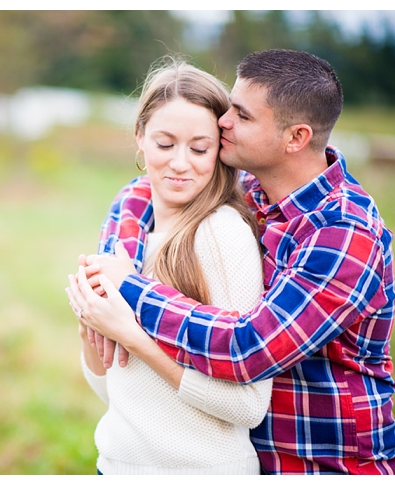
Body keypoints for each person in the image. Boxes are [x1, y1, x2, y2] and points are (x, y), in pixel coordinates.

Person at [70, 49, 395, 474]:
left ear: (296, 138)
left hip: (326, 462)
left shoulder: (343, 234)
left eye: (242, 116)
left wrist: (129, 292)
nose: (224, 122)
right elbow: (143, 192)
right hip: (255, 453)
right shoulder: (251, 188)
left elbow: (248, 347)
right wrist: (104, 271)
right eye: (229, 106)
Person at [66, 56, 272, 475]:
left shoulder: (221, 234)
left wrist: (132, 335)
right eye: (165, 143)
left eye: (199, 148)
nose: (180, 163)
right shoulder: (130, 239)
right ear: (140, 137)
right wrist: (91, 324)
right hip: (117, 467)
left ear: (221, 149)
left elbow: (248, 406)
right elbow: (115, 392)